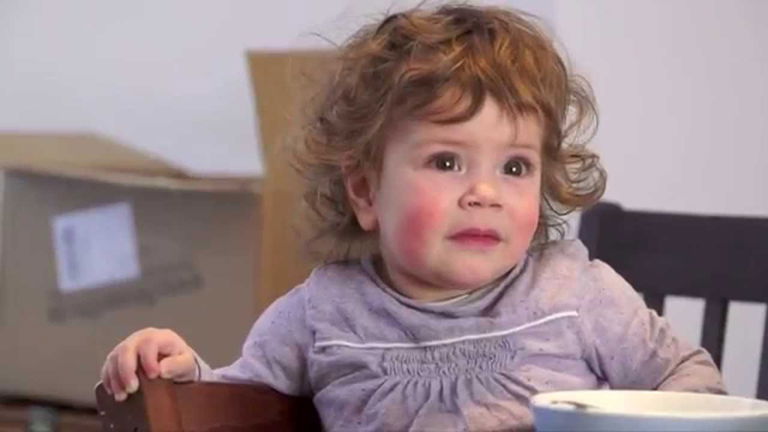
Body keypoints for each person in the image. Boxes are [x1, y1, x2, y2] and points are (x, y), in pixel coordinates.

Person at [100, 4, 725, 431]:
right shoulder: (324, 312)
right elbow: (238, 405)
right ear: (366, 191)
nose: (485, 193)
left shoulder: (576, 294)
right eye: (447, 161)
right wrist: (182, 372)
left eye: (515, 166)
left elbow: (689, 379)